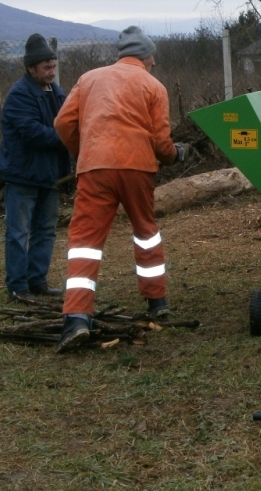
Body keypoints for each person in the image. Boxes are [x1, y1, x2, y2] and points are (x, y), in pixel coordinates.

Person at [53, 26, 189, 353]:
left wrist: (83, 152)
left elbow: (62, 124)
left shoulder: (88, 79)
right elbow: (161, 142)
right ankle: (157, 302)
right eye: (153, 56)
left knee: (84, 242)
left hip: (94, 167)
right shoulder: (152, 85)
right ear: (145, 55)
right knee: (146, 232)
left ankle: (76, 318)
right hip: (137, 166)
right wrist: (175, 155)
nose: (154, 62)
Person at [0, 33, 71, 303]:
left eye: (53, 66)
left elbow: (68, 121)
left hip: (50, 175)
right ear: (31, 68)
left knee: (45, 231)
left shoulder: (56, 92)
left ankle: (37, 281)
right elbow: (34, 134)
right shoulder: (19, 95)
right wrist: (69, 137)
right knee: (18, 234)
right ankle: (18, 287)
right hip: (23, 175)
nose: (51, 72)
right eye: (46, 68)